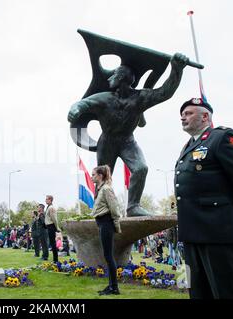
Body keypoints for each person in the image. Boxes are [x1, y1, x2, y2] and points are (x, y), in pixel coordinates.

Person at [68, 53, 189, 217]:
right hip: (107, 141)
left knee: (141, 169)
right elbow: (84, 103)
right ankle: (100, 209)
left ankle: (132, 206)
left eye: (115, 74)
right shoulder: (105, 98)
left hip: (127, 142)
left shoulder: (141, 97)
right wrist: (75, 110)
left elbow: (164, 93)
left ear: (123, 79)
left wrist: (176, 69)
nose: (111, 77)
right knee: (102, 178)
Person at [175, 97, 233, 299]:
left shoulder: (221, 138)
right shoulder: (188, 146)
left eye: (189, 113)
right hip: (192, 234)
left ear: (205, 116)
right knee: (199, 292)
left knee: (228, 292)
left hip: (218, 233)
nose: (183, 117)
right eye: (182, 115)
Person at [91, 164, 122, 296]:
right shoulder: (99, 189)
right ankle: (111, 286)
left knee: (109, 256)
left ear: (100, 175)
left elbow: (114, 209)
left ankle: (114, 287)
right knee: (107, 255)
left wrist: (116, 224)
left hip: (106, 222)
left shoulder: (106, 189)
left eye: (93, 174)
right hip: (102, 223)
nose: (92, 177)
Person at [44, 195, 61, 263]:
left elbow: (54, 218)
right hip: (49, 226)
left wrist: (57, 227)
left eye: (46, 199)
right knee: (52, 243)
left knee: (53, 243)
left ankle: (55, 259)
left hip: (51, 226)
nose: (45, 200)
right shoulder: (48, 207)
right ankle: (55, 259)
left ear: (50, 200)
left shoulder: (51, 208)